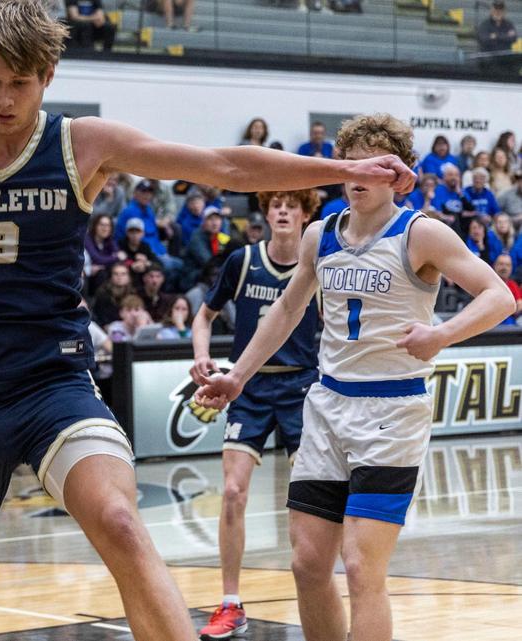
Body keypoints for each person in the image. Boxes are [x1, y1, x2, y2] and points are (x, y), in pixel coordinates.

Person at [0, 5, 415, 639]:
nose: (4, 98)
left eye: (19, 83)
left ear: (47, 76)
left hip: (55, 385)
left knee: (122, 522)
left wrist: (344, 169)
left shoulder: (82, 143)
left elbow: (221, 166)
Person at [195, 113, 512, 641]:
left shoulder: (420, 233)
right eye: (353, 162)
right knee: (307, 564)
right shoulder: (320, 234)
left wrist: (441, 334)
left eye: (375, 164)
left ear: (398, 173)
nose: (360, 174)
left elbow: (500, 296)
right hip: (327, 406)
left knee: (363, 569)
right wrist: (238, 375)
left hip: (392, 412)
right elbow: (288, 308)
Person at [189, 188, 321, 640]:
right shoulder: (243, 261)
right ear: (265, 213)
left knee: (310, 499)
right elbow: (203, 317)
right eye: (275, 204)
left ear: (305, 214)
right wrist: (202, 355)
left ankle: (317, 598)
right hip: (247, 385)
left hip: (301, 385)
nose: (282, 210)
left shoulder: (317, 266)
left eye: (291, 205)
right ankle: (230, 603)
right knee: (231, 491)